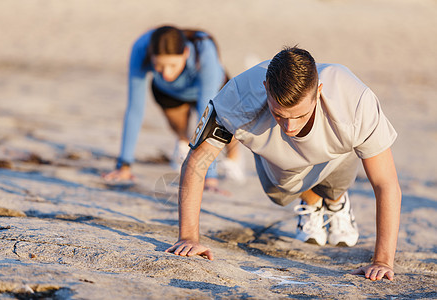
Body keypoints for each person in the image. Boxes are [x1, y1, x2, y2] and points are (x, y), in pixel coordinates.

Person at [165, 47, 402, 281]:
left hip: (335, 154)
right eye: (279, 114)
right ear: (266, 88)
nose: (289, 127)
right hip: (277, 164)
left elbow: (385, 183)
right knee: (280, 195)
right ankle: (310, 198)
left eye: (299, 115)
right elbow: (196, 161)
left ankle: (335, 201)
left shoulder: (354, 99)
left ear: (318, 92)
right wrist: (188, 237)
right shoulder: (238, 94)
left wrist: (382, 261)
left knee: (339, 174)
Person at [103, 25, 245, 187]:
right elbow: (134, 109)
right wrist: (124, 166)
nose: (166, 74)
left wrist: (209, 178)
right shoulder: (141, 48)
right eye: (159, 67)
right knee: (180, 129)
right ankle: (183, 145)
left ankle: (233, 158)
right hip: (170, 93)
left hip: (214, 90)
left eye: (172, 66)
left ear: (186, 52)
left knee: (224, 126)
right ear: (151, 56)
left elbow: (206, 114)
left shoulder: (204, 49)